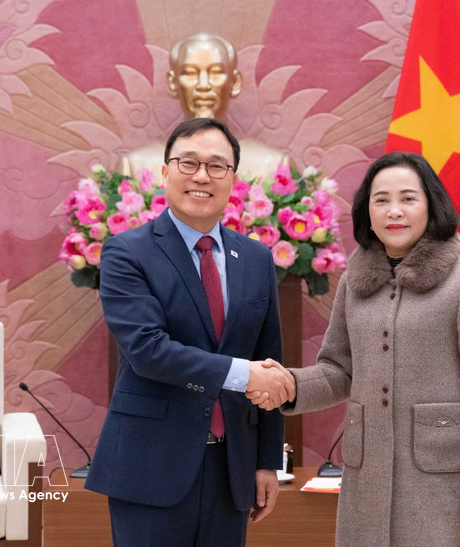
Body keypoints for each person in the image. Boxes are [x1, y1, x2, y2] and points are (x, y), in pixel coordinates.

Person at [251, 151, 460, 546]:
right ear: (366, 213)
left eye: (408, 198)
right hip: (366, 480)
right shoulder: (355, 284)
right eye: (381, 200)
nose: (395, 211)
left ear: (431, 205)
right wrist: (288, 383)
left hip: (444, 484)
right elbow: (338, 371)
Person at [86, 117, 295, 546]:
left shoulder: (255, 258)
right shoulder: (127, 252)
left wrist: (266, 461)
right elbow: (148, 350)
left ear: (233, 179)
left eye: (217, 166)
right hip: (150, 466)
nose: (202, 176)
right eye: (188, 163)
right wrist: (245, 374)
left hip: (231, 468)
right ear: (165, 172)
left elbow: (269, 357)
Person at [121, 33, 289, 181]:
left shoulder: (274, 166)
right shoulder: (135, 166)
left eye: (215, 73)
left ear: (235, 82)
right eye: (190, 73)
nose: (203, 85)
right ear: (172, 83)